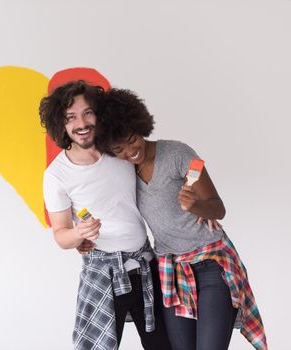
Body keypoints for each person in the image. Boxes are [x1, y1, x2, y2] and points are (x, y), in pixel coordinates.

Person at [94, 87, 268, 350]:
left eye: (132, 139)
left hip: (211, 264)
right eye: (119, 149)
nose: (130, 151)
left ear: (139, 126)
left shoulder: (177, 153)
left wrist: (196, 205)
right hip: (171, 271)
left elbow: (218, 209)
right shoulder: (124, 174)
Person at [40, 80, 172, 350]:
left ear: (99, 114)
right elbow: (61, 235)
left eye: (88, 112)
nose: (82, 123)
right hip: (103, 273)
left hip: (145, 264)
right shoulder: (56, 175)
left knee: (164, 345)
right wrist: (79, 235)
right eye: (71, 117)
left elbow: (155, 177)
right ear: (61, 124)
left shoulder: (118, 150)